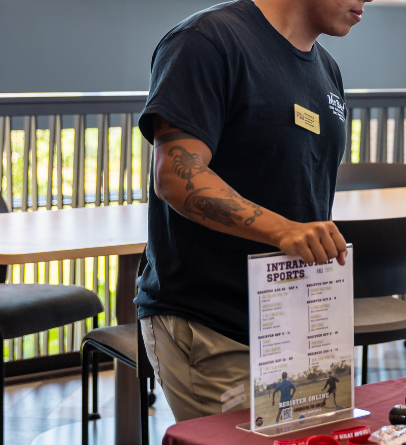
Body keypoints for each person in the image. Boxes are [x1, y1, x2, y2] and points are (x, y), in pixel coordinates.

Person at [135, 0, 367, 422]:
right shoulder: (207, 41)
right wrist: (283, 231)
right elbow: (175, 176)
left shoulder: (327, 69)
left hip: (293, 321)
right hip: (213, 324)